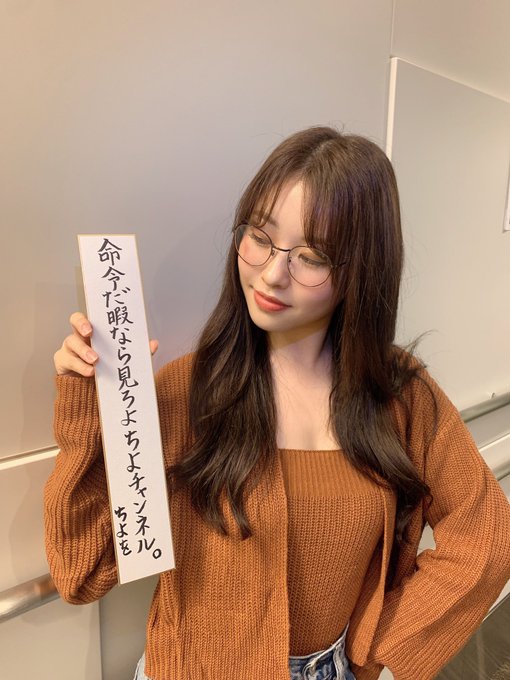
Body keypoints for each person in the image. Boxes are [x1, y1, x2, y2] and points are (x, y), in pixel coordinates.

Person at [46, 126, 510, 680]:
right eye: (260, 237)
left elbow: (486, 536)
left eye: (311, 256)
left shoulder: (400, 394)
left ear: (360, 270)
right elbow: (82, 570)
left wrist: (386, 655)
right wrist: (86, 401)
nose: (271, 274)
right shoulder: (190, 390)